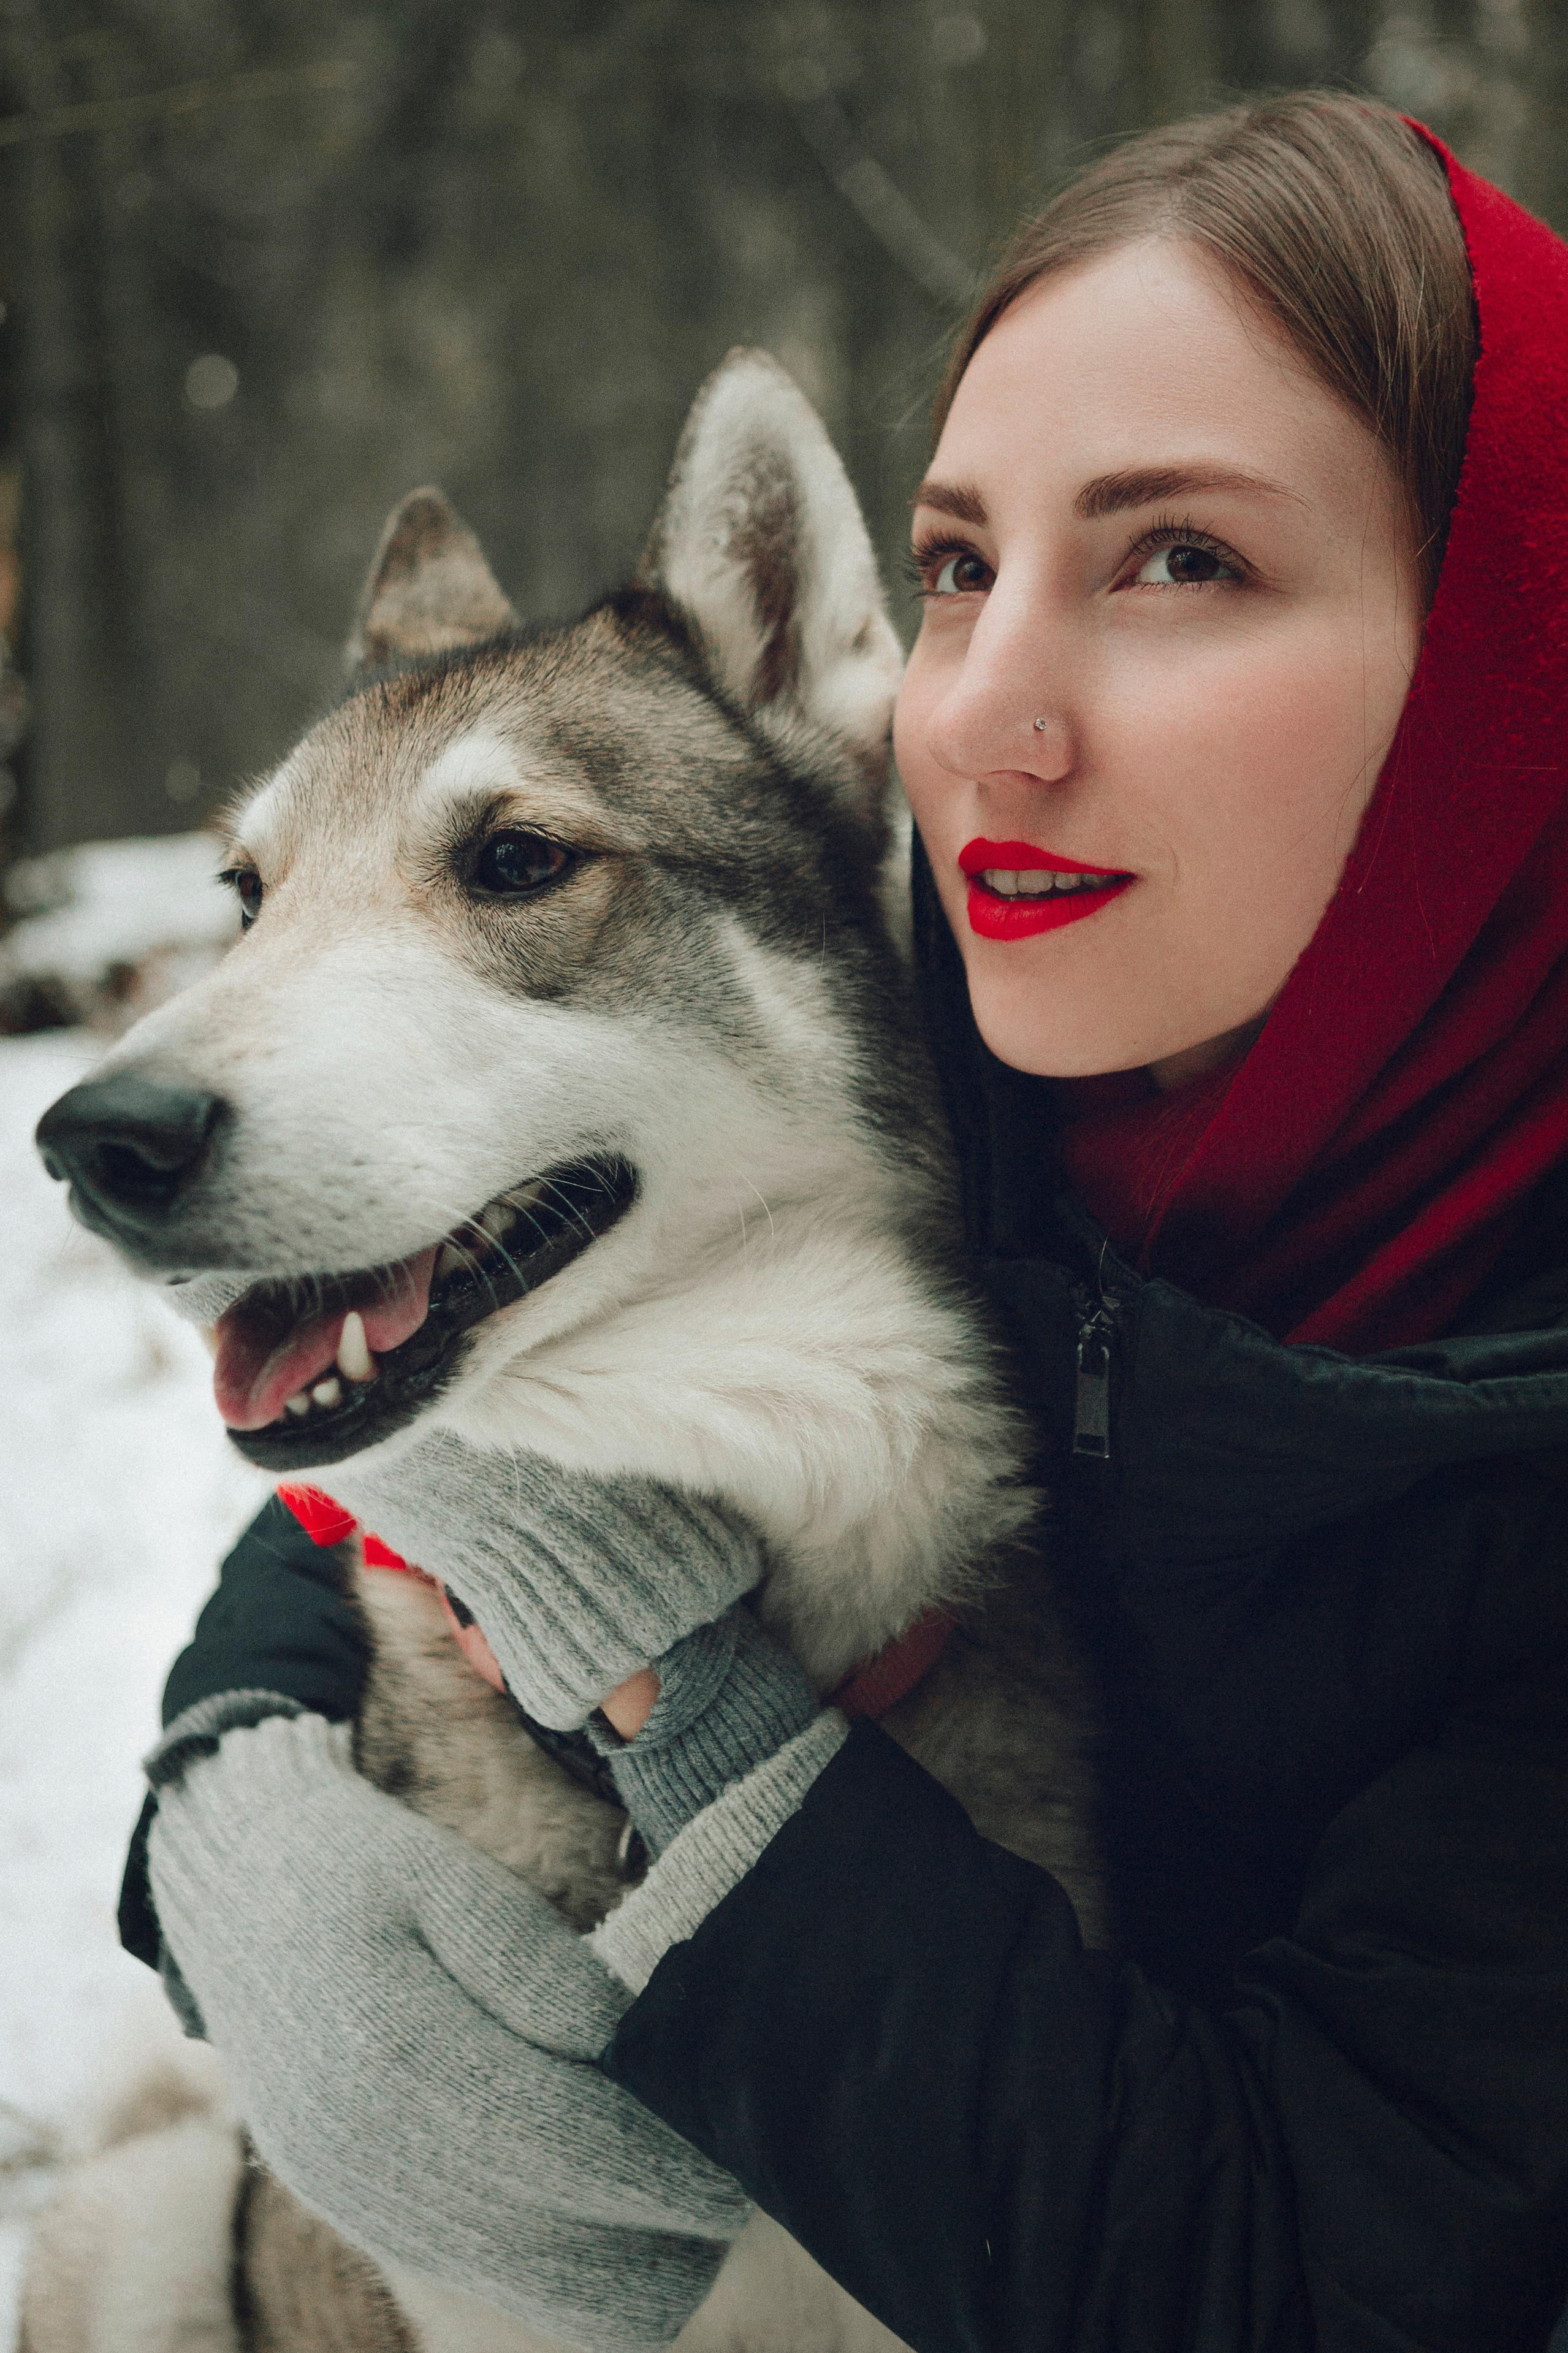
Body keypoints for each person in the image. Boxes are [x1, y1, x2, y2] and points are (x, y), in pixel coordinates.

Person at [120, 93, 1568, 2352]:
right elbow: (422, 1355)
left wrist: (685, 1717)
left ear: (1510, 652)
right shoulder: (978, 1032)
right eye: (964, 566)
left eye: (1183, 556)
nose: (974, 707)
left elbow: (1315, 2277)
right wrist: (230, 1807)